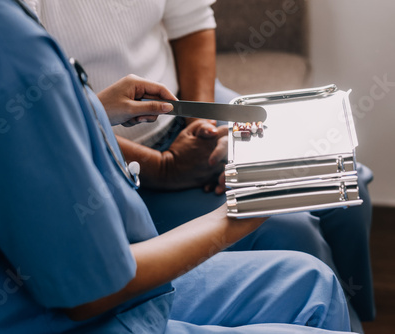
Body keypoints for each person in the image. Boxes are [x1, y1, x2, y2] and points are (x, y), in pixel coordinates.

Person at [0, 0, 357, 332]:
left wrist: (91, 110)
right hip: (49, 313)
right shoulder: (6, 47)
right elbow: (90, 293)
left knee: (312, 279)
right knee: (308, 288)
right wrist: (237, 214)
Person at [29, 0, 375, 327]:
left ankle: (350, 319)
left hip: (186, 105)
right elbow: (40, 126)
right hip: (106, 155)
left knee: (346, 179)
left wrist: (199, 121)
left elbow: (192, 19)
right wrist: (163, 168)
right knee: (292, 228)